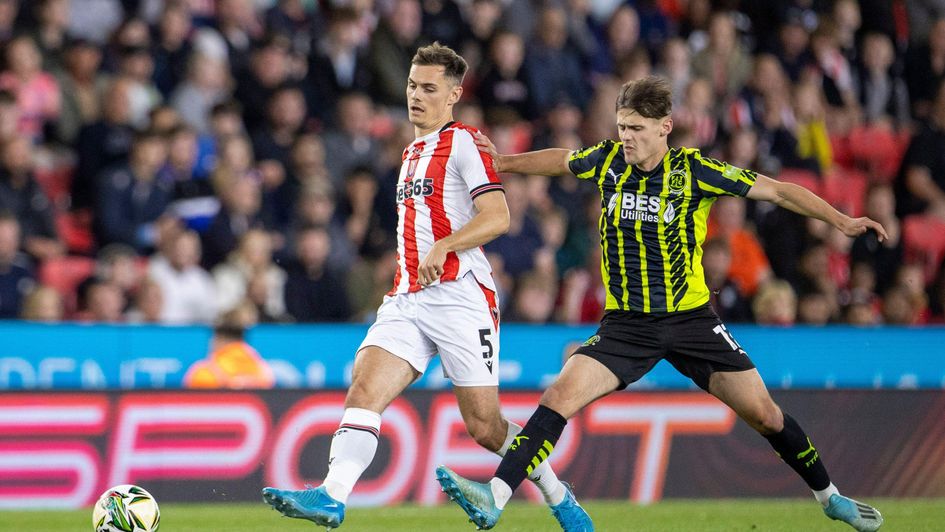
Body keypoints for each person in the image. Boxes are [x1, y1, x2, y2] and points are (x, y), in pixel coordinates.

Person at [436, 76, 886, 532]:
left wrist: (841, 220)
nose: (625, 137)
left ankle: (829, 497)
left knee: (766, 415)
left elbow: (780, 190)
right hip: (626, 326)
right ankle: (494, 496)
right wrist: (506, 162)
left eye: (635, 128)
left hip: (691, 321)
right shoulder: (608, 161)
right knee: (557, 398)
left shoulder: (696, 172)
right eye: (621, 127)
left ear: (664, 127)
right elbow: (562, 161)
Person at [261, 43, 592, 531]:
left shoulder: (462, 142)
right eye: (413, 85)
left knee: (484, 426)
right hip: (409, 298)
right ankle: (332, 497)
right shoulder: (411, 151)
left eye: (429, 88)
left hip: (462, 298)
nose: (416, 95)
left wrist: (446, 247)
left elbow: (498, 216)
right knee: (365, 385)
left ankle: (560, 498)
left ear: (454, 94)